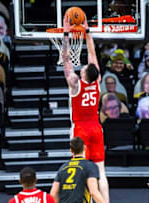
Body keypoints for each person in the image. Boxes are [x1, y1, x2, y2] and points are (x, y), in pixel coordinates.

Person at [61, 14, 109, 203]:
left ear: (84, 73)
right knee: (101, 171)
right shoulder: (97, 81)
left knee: (79, 169)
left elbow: (66, 59)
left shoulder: (75, 83)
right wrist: (87, 31)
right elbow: (93, 55)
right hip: (96, 127)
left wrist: (66, 33)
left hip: (80, 129)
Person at [50, 137, 105, 203]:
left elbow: (53, 194)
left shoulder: (63, 167)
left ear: (71, 150)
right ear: (85, 148)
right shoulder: (90, 166)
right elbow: (93, 192)